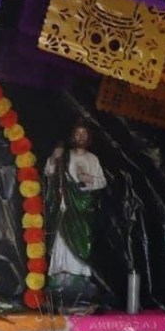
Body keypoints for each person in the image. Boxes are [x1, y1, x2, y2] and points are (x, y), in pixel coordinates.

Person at [42, 123, 108, 299]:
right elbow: (49, 172)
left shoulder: (93, 159)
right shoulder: (65, 156)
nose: (81, 137)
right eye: (78, 133)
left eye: (84, 133)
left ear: (89, 137)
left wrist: (89, 179)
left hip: (83, 209)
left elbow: (102, 182)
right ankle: (61, 277)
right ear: (72, 136)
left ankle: (79, 278)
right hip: (65, 208)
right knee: (62, 241)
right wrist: (54, 158)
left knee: (82, 242)